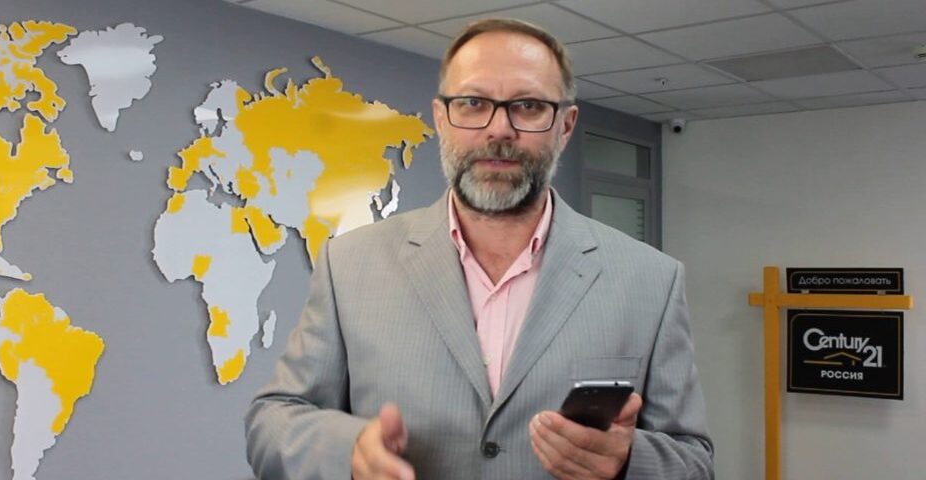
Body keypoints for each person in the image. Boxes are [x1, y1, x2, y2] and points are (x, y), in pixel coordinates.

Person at [245, 18, 713, 480]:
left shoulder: (651, 280)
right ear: (440, 117)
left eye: (528, 106)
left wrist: (628, 461)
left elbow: (695, 460)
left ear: (565, 126)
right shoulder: (349, 265)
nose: (499, 129)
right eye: (473, 103)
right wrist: (346, 451)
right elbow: (273, 419)